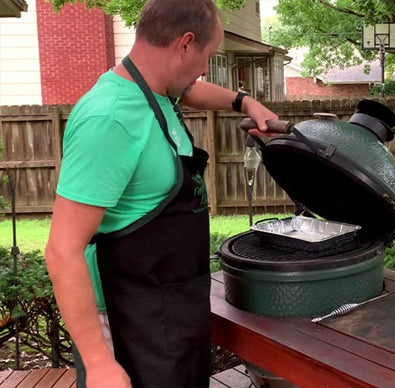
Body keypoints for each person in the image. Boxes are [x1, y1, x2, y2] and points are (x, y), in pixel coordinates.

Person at [43, 0, 278, 387]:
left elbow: (191, 91)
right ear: (185, 44)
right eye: (206, 56)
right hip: (126, 321)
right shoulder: (109, 119)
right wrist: (100, 363)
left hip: (170, 304)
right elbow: (63, 250)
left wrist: (244, 102)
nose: (204, 69)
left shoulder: (158, 92)